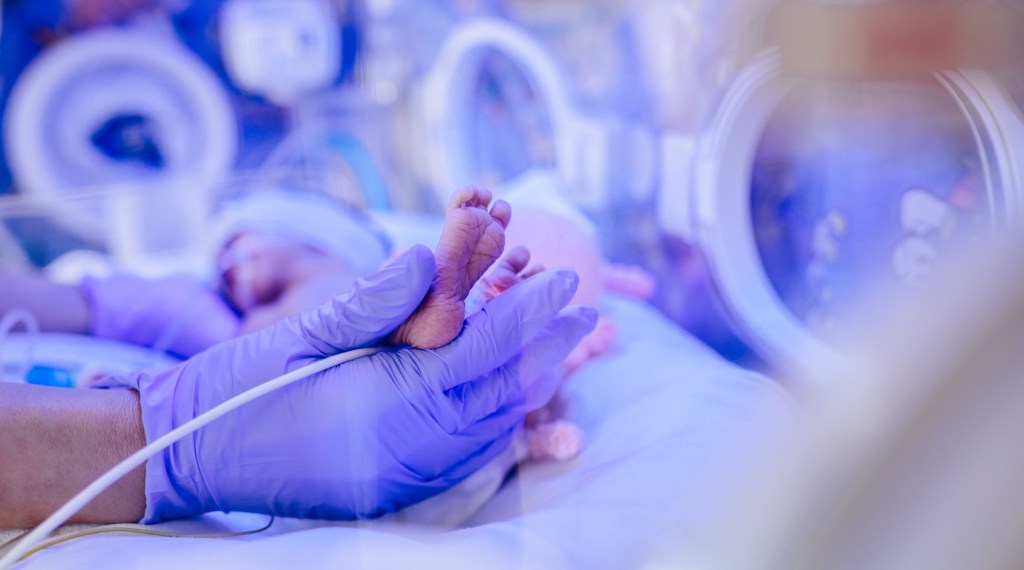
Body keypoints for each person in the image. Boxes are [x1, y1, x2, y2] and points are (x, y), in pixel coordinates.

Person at [0, 188, 598, 526]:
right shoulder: (216, 319)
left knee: (418, 341)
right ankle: (450, 316)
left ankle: (457, 307)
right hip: (325, 393)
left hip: (364, 328)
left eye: (242, 241)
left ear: (316, 236)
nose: (229, 265)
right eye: (221, 268)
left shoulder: (341, 271)